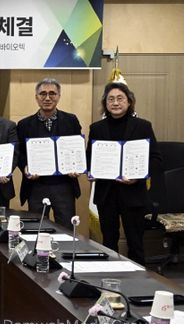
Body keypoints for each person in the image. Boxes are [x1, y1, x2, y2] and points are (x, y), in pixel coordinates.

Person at [88, 82, 162, 265]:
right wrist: (90, 170)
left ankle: (138, 278)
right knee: (108, 242)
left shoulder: (143, 126)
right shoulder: (96, 128)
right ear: (105, 103)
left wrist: (138, 176)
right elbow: (90, 158)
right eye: (111, 99)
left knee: (135, 243)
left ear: (129, 102)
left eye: (120, 98)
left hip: (133, 193)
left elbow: (155, 159)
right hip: (106, 194)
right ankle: (110, 275)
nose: (115, 103)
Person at [17, 78, 82, 228]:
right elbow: (19, 153)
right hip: (36, 186)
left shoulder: (71, 120)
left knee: (66, 229)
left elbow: (77, 149)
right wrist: (25, 167)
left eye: (52, 93)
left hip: (64, 185)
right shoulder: (24, 124)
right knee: (36, 229)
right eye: (43, 94)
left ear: (59, 96)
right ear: (36, 97)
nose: (47, 98)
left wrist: (76, 166)